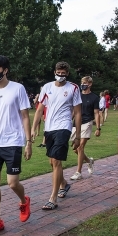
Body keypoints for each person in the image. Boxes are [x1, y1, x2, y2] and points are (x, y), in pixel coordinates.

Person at [0, 55, 32, 234]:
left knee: (12, 182)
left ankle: (24, 201)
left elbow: (25, 116)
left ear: (5, 70)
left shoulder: (18, 89)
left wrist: (29, 142)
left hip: (12, 141)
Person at [31, 61, 81, 210]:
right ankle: (64, 184)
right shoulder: (47, 87)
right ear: (55, 72)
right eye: (58, 73)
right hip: (49, 127)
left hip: (64, 126)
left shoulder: (73, 88)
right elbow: (40, 109)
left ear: (67, 74)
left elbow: (78, 112)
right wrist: (34, 128)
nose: (60, 76)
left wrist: (77, 135)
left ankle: (52, 198)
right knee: (52, 162)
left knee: (57, 161)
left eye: (63, 74)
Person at [70, 76, 100, 180]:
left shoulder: (94, 97)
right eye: (82, 82)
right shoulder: (77, 96)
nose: (82, 84)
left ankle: (78, 172)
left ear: (90, 84)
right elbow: (74, 111)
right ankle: (89, 161)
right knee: (75, 149)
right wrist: (69, 121)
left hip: (87, 122)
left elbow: (96, 113)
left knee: (80, 147)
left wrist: (98, 128)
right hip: (76, 124)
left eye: (85, 82)